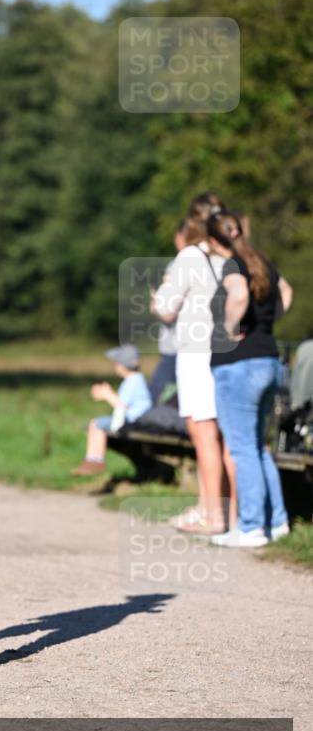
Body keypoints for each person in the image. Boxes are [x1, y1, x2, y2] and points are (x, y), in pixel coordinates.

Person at [207, 211, 293, 546]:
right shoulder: (263, 262)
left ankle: (252, 527)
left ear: (215, 241)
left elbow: (239, 296)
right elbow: (286, 291)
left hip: (238, 366)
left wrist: (229, 331)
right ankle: (278, 521)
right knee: (258, 448)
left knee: (243, 449)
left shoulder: (232, 266)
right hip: (268, 359)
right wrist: (265, 325)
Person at [152, 207, 234, 534]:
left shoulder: (189, 257)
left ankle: (211, 514)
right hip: (226, 351)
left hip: (196, 353)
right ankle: (229, 513)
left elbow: (166, 308)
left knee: (203, 434)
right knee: (224, 435)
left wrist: (158, 296)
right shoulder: (228, 256)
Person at [71, 344, 152, 475]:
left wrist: (107, 394)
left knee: (97, 424)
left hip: (132, 420)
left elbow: (121, 405)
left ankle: (96, 459)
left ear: (121, 366)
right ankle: (91, 459)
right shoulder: (136, 380)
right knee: (95, 424)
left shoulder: (132, 382)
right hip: (132, 418)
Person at [148, 221, 186, 406]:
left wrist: (155, 305)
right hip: (194, 347)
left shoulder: (177, 264)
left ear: (180, 238)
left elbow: (169, 312)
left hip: (175, 347)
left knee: (153, 401)